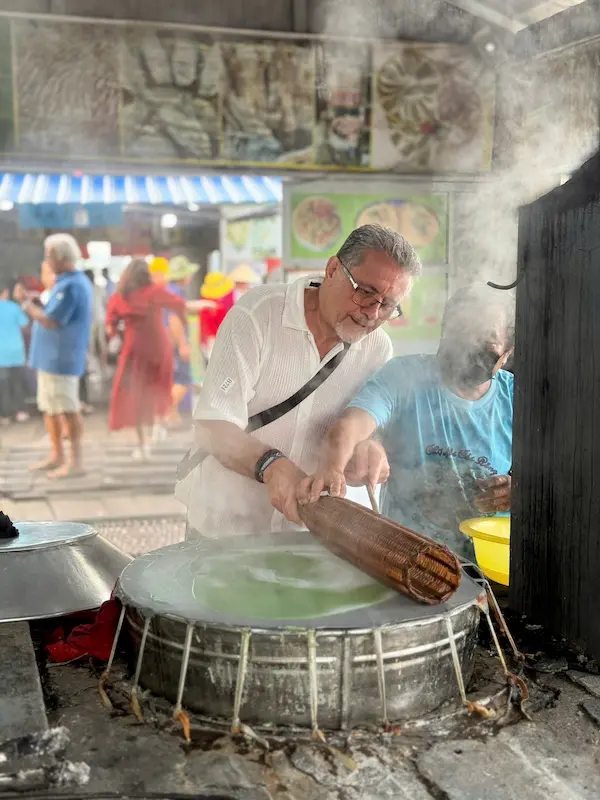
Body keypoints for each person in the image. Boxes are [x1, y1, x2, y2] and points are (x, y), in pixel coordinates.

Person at [177, 224, 420, 539]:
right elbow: (213, 427)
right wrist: (271, 465)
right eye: (366, 291)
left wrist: (367, 453)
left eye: (387, 305)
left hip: (307, 537)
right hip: (225, 528)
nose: (372, 313)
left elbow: (364, 433)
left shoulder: (378, 349)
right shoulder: (258, 316)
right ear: (333, 269)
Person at [297, 284, 515, 560]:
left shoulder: (518, 400)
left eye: (486, 338)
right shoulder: (404, 376)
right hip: (404, 561)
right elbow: (352, 424)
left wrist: (520, 493)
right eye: (462, 330)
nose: (470, 345)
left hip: (489, 565)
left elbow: (558, 478)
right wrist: (335, 466)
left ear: (507, 353)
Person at [15, 233, 93, 479]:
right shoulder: (64, 282)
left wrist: (26, 305)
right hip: (50, 359)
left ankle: (75, 462)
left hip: (61, 359)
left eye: (48, 255)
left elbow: (51, 320)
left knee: (68, 409)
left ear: (59, 256)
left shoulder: (72, 285)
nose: (46, 261)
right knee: (50, 408)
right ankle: (57, 455)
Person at [106, 258, 187, 460]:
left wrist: (118, 333)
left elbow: (110, 325)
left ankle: (143, 446)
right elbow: (180, 306)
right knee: (160, 389)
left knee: (136, 397)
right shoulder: (154, 292)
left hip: (134, 352)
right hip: (159, 350)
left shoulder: (118, 297)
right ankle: (158, 427)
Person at [0, 280, 30, 424]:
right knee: (17, 383)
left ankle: (4, 416)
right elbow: (24, 325)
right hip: (16, 352)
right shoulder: (14, 307)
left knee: (2, 385)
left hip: (1, 354)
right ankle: (20, 412)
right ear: (5, 293)